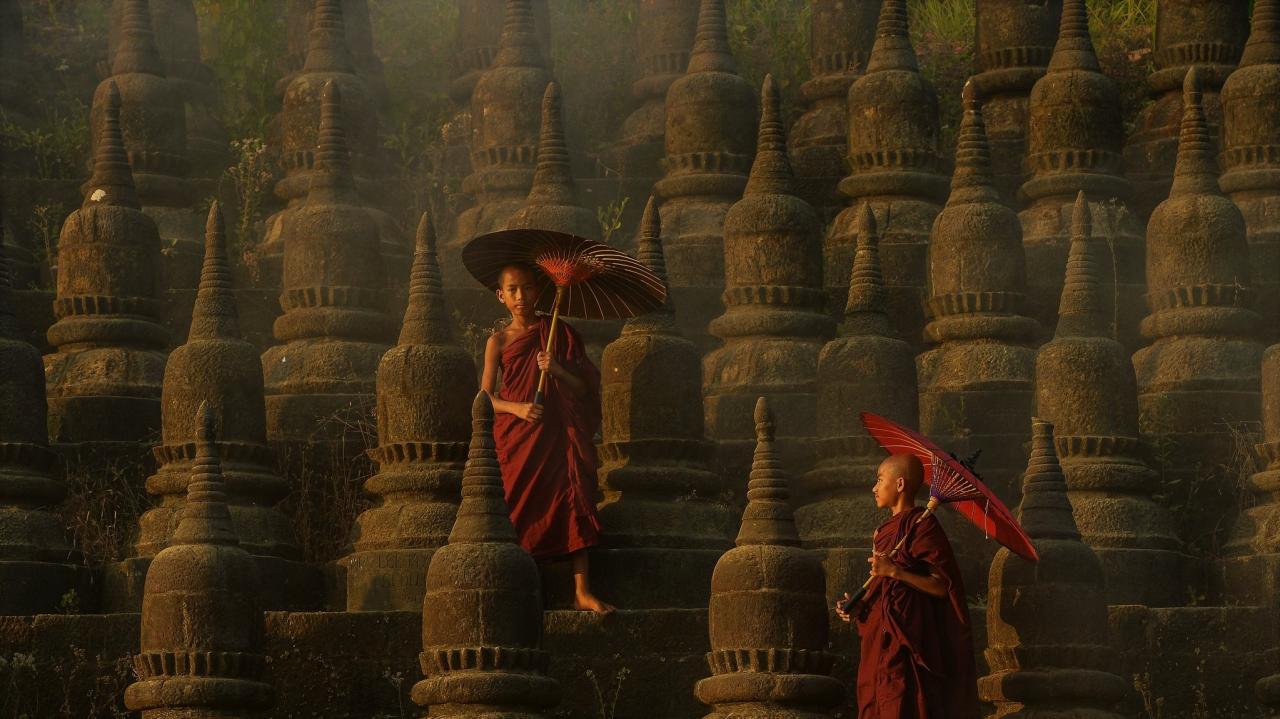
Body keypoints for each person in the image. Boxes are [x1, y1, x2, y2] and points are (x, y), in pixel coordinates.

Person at [481, 263, 615, 615]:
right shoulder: (498, 341)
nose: (521, 296)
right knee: (517, 506)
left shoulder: (558, 333)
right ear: (501, 296)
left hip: (558, 435)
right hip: (517, 436)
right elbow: (484, 399)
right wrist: (519, 409)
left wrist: (555, 369)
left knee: (575, 499)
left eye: (527, 288)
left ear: (539, 291)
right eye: (513, 290)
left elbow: (584, 387)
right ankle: (523, 589)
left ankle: (582, 590)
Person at [835, 453, 978, 718]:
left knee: (904, 704)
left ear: (899, 484)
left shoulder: (923, 526)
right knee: (874, 702)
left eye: (880, 480)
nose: (874, 488)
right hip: (879, 637)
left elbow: (941, 587)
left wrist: (896, 571)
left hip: (909, 638)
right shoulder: (881, 532)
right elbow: (882, 584)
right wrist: (859, 605)